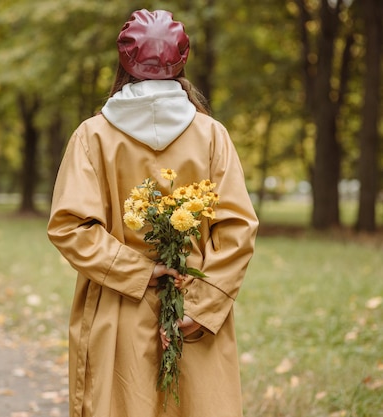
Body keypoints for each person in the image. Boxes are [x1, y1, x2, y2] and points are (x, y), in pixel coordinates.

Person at [47, 9, 258, 417]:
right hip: (194, 306)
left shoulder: (93, 134)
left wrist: (136, 269)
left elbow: (70, 225)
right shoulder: (211, 134)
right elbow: (237, 229)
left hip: (116, 305)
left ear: (124, 64)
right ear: (183, 61)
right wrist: (201, 306)